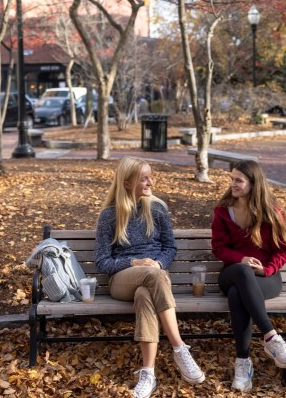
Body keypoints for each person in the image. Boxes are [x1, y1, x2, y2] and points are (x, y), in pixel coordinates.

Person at [95, 157, 205, 398]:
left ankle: (148, 373)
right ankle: (179, 348)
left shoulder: (157, 208)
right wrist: (133, 262)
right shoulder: (109, 216)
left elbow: (170, 248)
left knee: (145, 295)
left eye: (150, 176)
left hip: (154, 279)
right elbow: (102, 262)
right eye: (144, 178)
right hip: (121, 279)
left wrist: (158, 263)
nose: (150, 182)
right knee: (151, 275)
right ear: (127, 182)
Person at [211, 160, 286, 392]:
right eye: (232, 179)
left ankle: (242, 363)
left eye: (238, 180)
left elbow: (284, 251)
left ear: (254, 183)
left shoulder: (273, 213)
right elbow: (219, 248)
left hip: (266, 277)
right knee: (240, 274)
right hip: (232, 272)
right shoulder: (223, 212)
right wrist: (241, 259)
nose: (233, 184)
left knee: (236, 295)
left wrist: (267, 269)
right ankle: (271, 338)